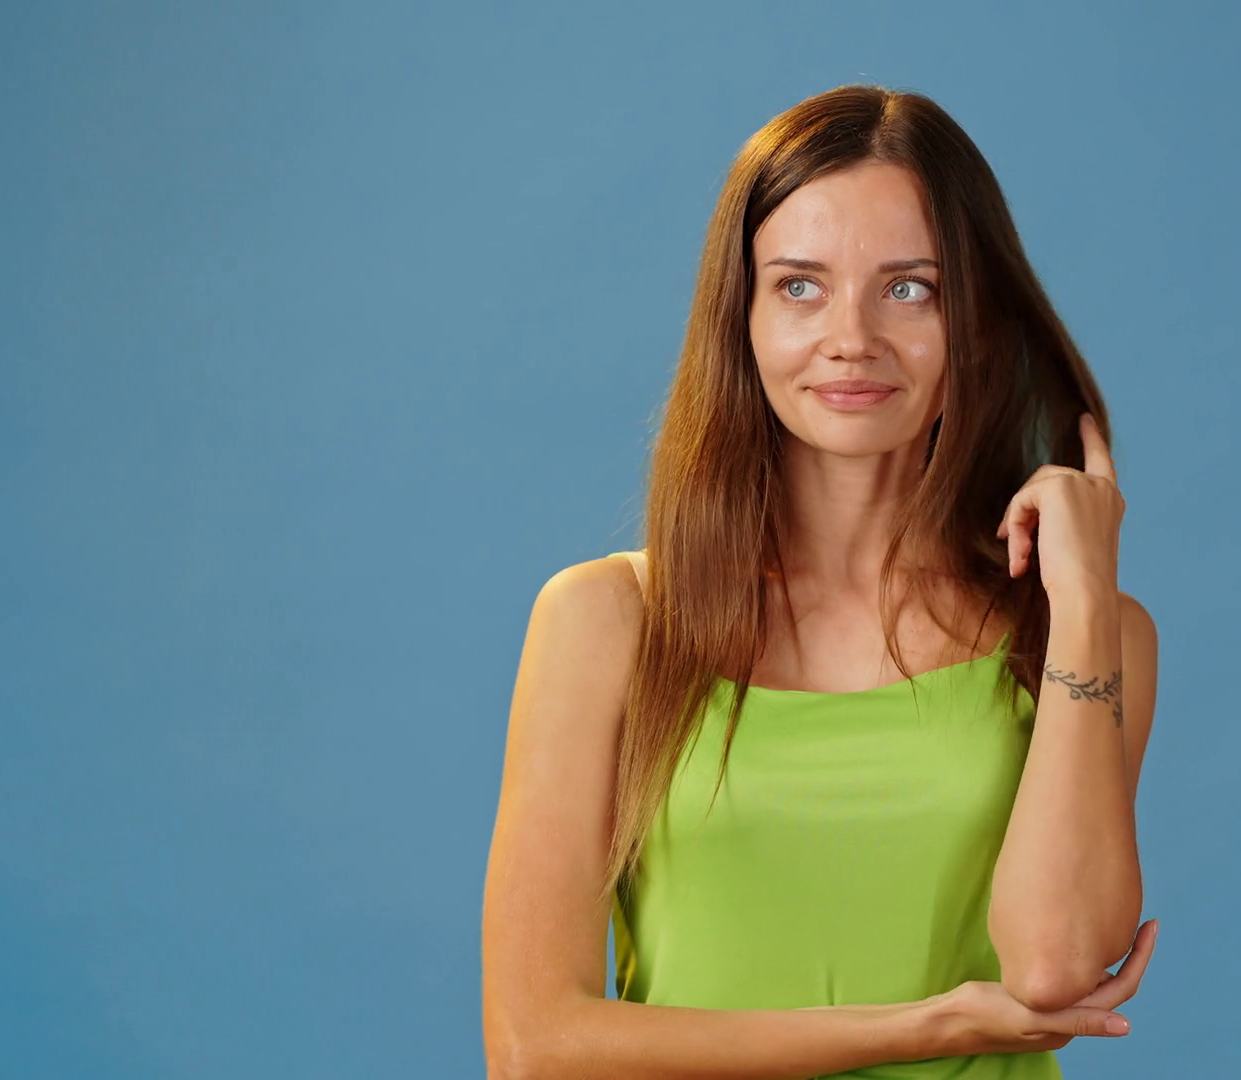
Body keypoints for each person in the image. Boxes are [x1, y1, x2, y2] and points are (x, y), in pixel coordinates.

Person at [481, 83, 1160, 1079]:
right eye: (800, 286)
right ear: (743, 319)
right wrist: (927, 1027)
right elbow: (535, 1047)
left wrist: (1087, 600)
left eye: (909, 289)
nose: (852, 337)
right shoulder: (606, 620)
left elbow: (1055, 972)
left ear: (976, 325)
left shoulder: (1088, 633)